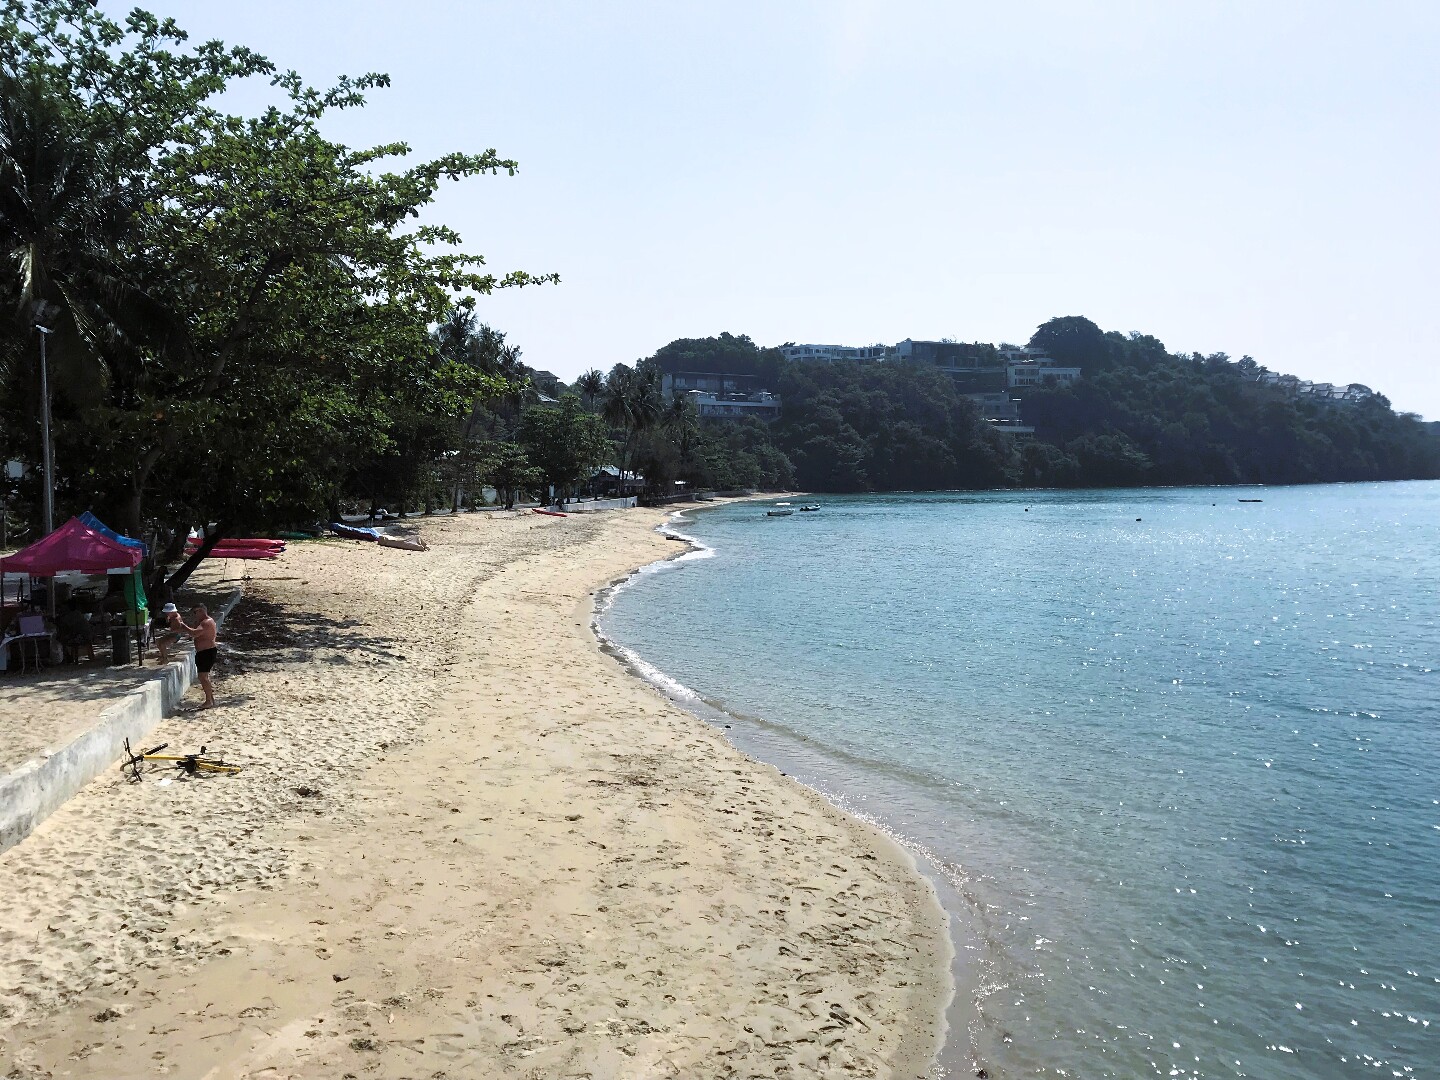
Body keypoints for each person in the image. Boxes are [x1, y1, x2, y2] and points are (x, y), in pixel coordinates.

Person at [171, 604, 218, 709]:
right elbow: (191, 632)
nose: (194, 615)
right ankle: (211, 699)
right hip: (202, 652)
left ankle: (209, 701)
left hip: (207, 652)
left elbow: (194, 633)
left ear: (201, 611)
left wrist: (183, 625)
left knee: (203, 677)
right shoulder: (200, 622)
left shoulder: (207, 622)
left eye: (195, 612)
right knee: (204, 677)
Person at [55, 599, 95, 664]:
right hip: (86, 635)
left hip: (83, 637)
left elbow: (64, 625)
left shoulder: (71, 615)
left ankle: (67, 657)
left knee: (60, 639)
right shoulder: (77, 613)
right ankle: (68, 656)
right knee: (62, 637)